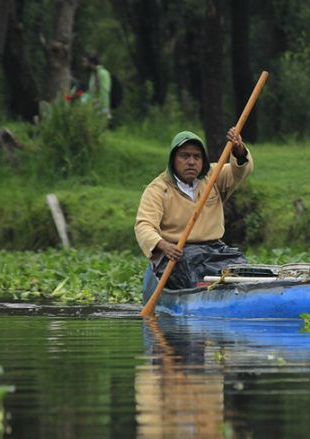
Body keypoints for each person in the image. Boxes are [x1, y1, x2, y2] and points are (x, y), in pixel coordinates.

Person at [135, 128, 253, 289]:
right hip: (177, 252)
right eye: (184, 156)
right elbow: (144, 225)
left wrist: (238, 150)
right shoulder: (158, 189)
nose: (191, 162)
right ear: (173, 159)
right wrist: (163, 245)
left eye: (197, 157)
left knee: (241, 269)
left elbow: (241, 170)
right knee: (190, 274)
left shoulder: (213, 176)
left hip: (214, 249)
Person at [81, 54, 111, 120]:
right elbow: (92, 93)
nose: (83, 65)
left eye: (85, 62)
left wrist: (105, 111)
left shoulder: (103, 73)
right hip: (95, 111)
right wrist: (82, 99)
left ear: (91, 63)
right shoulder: (93, 74)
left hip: (101, 112)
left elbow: (105, 92)